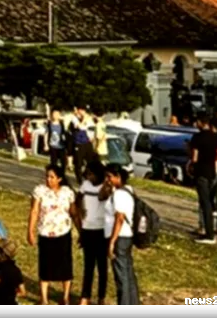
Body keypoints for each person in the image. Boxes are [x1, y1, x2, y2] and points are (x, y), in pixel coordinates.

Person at [28, 164, 76, 305]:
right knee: (45, 266)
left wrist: (80, 231)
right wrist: (30, 231)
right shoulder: (40, 191)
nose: (49, 180)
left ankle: (65, 296)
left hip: (63, 232)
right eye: (47, 176)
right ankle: (44, 298)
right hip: (45, 233)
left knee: (65, 265)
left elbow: (74, 213)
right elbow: (34, 211)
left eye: (52, 177)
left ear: (59, 179)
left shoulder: (67, 192)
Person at [102, 164, 140, 305]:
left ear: (118, 177)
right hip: (126, 237)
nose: (107, 180)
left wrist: (112, 241)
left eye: (109, 177)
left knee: (121, 276)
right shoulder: (128, 191)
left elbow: (119, 218)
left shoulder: (119, 194)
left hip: (119, 238)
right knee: (128, 273)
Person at [76, 160, 109, 305]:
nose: (89, 177)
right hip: (87, 228)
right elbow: (78, 199)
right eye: (87, 174)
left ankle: (101, 296)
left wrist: (106, 182)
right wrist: (81, 211)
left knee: (102, 266)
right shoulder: (85, 185)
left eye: (91, 174)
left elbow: (102, 197)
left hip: (101, 230)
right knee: (88, 265)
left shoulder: (106, 187)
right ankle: (85, 295)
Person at [188, 118, 217, 244]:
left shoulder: (196, 138)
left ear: (201, 123)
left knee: (205, 204)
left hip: (201, 172)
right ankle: (210, 229)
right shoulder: (215, 137)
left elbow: (194, 158)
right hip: (211, 172)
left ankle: (209, 234)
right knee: (209, 201)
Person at [0, 241, 25, 306]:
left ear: (3, 253)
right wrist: (12, 295)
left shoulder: (3, 268)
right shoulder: (17, 270)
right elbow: (23, 292)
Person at [70, 106, 97, 184]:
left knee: (90, 162)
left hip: (87, 143)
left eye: (84, 110)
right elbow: (80, 127)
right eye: (81, 110)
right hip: (79, 143)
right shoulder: (74, 119)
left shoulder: (88, 119)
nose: (82, 112)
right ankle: (79, 180)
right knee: (78, 163)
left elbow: (91, 127)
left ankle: (87, 176)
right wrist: (84, 119)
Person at [47, 109, 67, 173]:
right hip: (53, 145)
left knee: (63, 162)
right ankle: (54, 173)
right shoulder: (49, 124)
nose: (55, 115)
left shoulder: (62, 124)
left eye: (57, 114)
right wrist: (46, 144)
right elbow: (46, 134)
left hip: (61, 145)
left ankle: (62, 174)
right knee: (53, 162)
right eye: (54, 114)